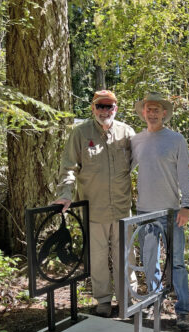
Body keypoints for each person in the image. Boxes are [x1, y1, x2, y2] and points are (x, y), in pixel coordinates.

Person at [54, 90, 135, 317]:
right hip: (93, 208)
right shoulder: (80, 134)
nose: (104, 111)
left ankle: (127, 300)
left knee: (126, 256)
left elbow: (143, 163)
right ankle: (103, 301)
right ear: (93, 108)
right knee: (97, 258)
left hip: (122, 209)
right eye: (100, 106)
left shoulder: (127, 133)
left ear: (116, 108)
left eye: (109, 106)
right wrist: (66, 194)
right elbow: (69, 167)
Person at [131, 92, 189, 331]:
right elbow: (123, 171)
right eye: (149, 109)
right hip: (145, 212)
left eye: (157, 109)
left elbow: (184, 175)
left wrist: (186, 205)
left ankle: (183, 311)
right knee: (149, 261)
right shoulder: (136, 141)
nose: (153, 113)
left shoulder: (176, 140)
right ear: (143, 113)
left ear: (164, 113)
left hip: (172, 212)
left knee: (177, 263)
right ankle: (154, 302)